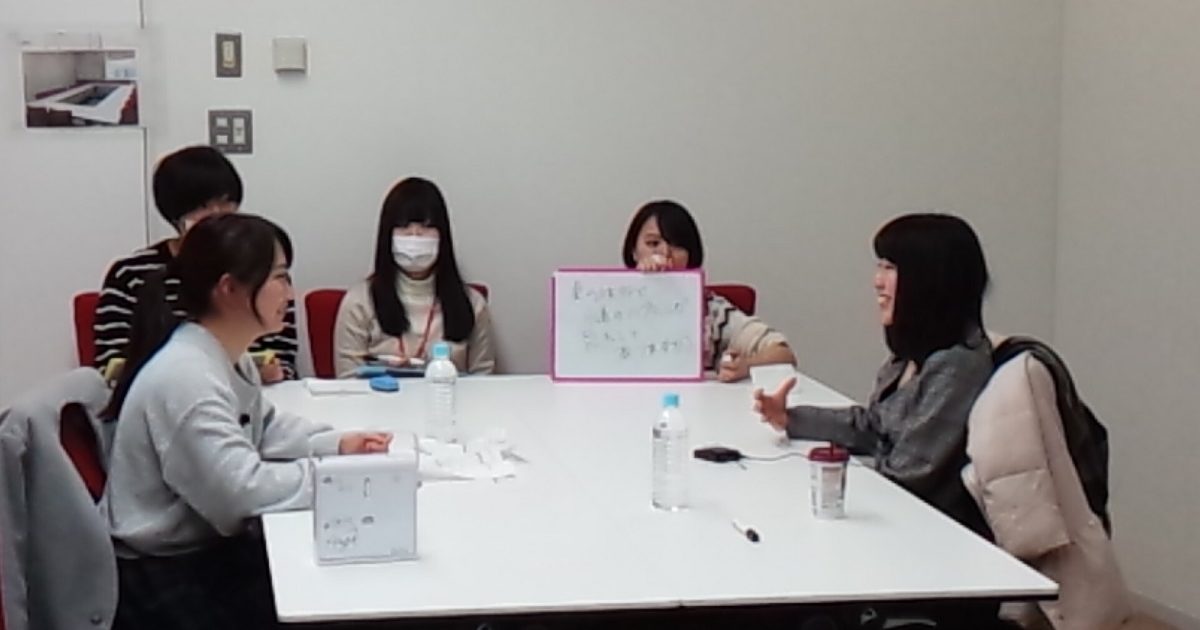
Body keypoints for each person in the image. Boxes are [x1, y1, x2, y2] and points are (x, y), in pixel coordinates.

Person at [101, 214, 391, 629]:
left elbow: (264, 426)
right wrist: (334, 479)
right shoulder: (187, 378)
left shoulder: (223, 355)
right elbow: (239, 493)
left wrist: (338, 444)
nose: (290, 293)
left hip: (199, 549)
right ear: (229, 289)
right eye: (280, 278)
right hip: (163, 574)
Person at [754, 213, 998, 626]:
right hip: (891, 538)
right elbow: (873, 425)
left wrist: (827, 476)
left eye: (890, 268)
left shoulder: (957, 367)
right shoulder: (914, 355)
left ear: (930, 279)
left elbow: (908, 475)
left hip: (924, 558)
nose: (877, 282)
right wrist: (789, 418)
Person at [93, 145, 299, 382]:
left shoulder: (262, 268)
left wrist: (272, 371)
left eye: (226, 202)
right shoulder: (131, 274)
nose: (217, 214)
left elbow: (285, 357)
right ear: (174, 214)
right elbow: (112, 365)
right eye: (202, 207)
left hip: (259, 393)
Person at [334, 177, 494, 378]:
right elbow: (348, 382)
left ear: (443, 236)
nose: (415, 236)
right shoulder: (359, 303)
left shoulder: (473, 305)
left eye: (426, 226)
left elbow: (483, 382)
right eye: (404, 227)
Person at [622, 200, 795, 381]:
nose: (664, 253)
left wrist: (745, 366)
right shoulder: (610, 303)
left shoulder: (711, 311)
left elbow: (783, 353)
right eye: (653, 243)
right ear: (634, 251)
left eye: (677, 245)